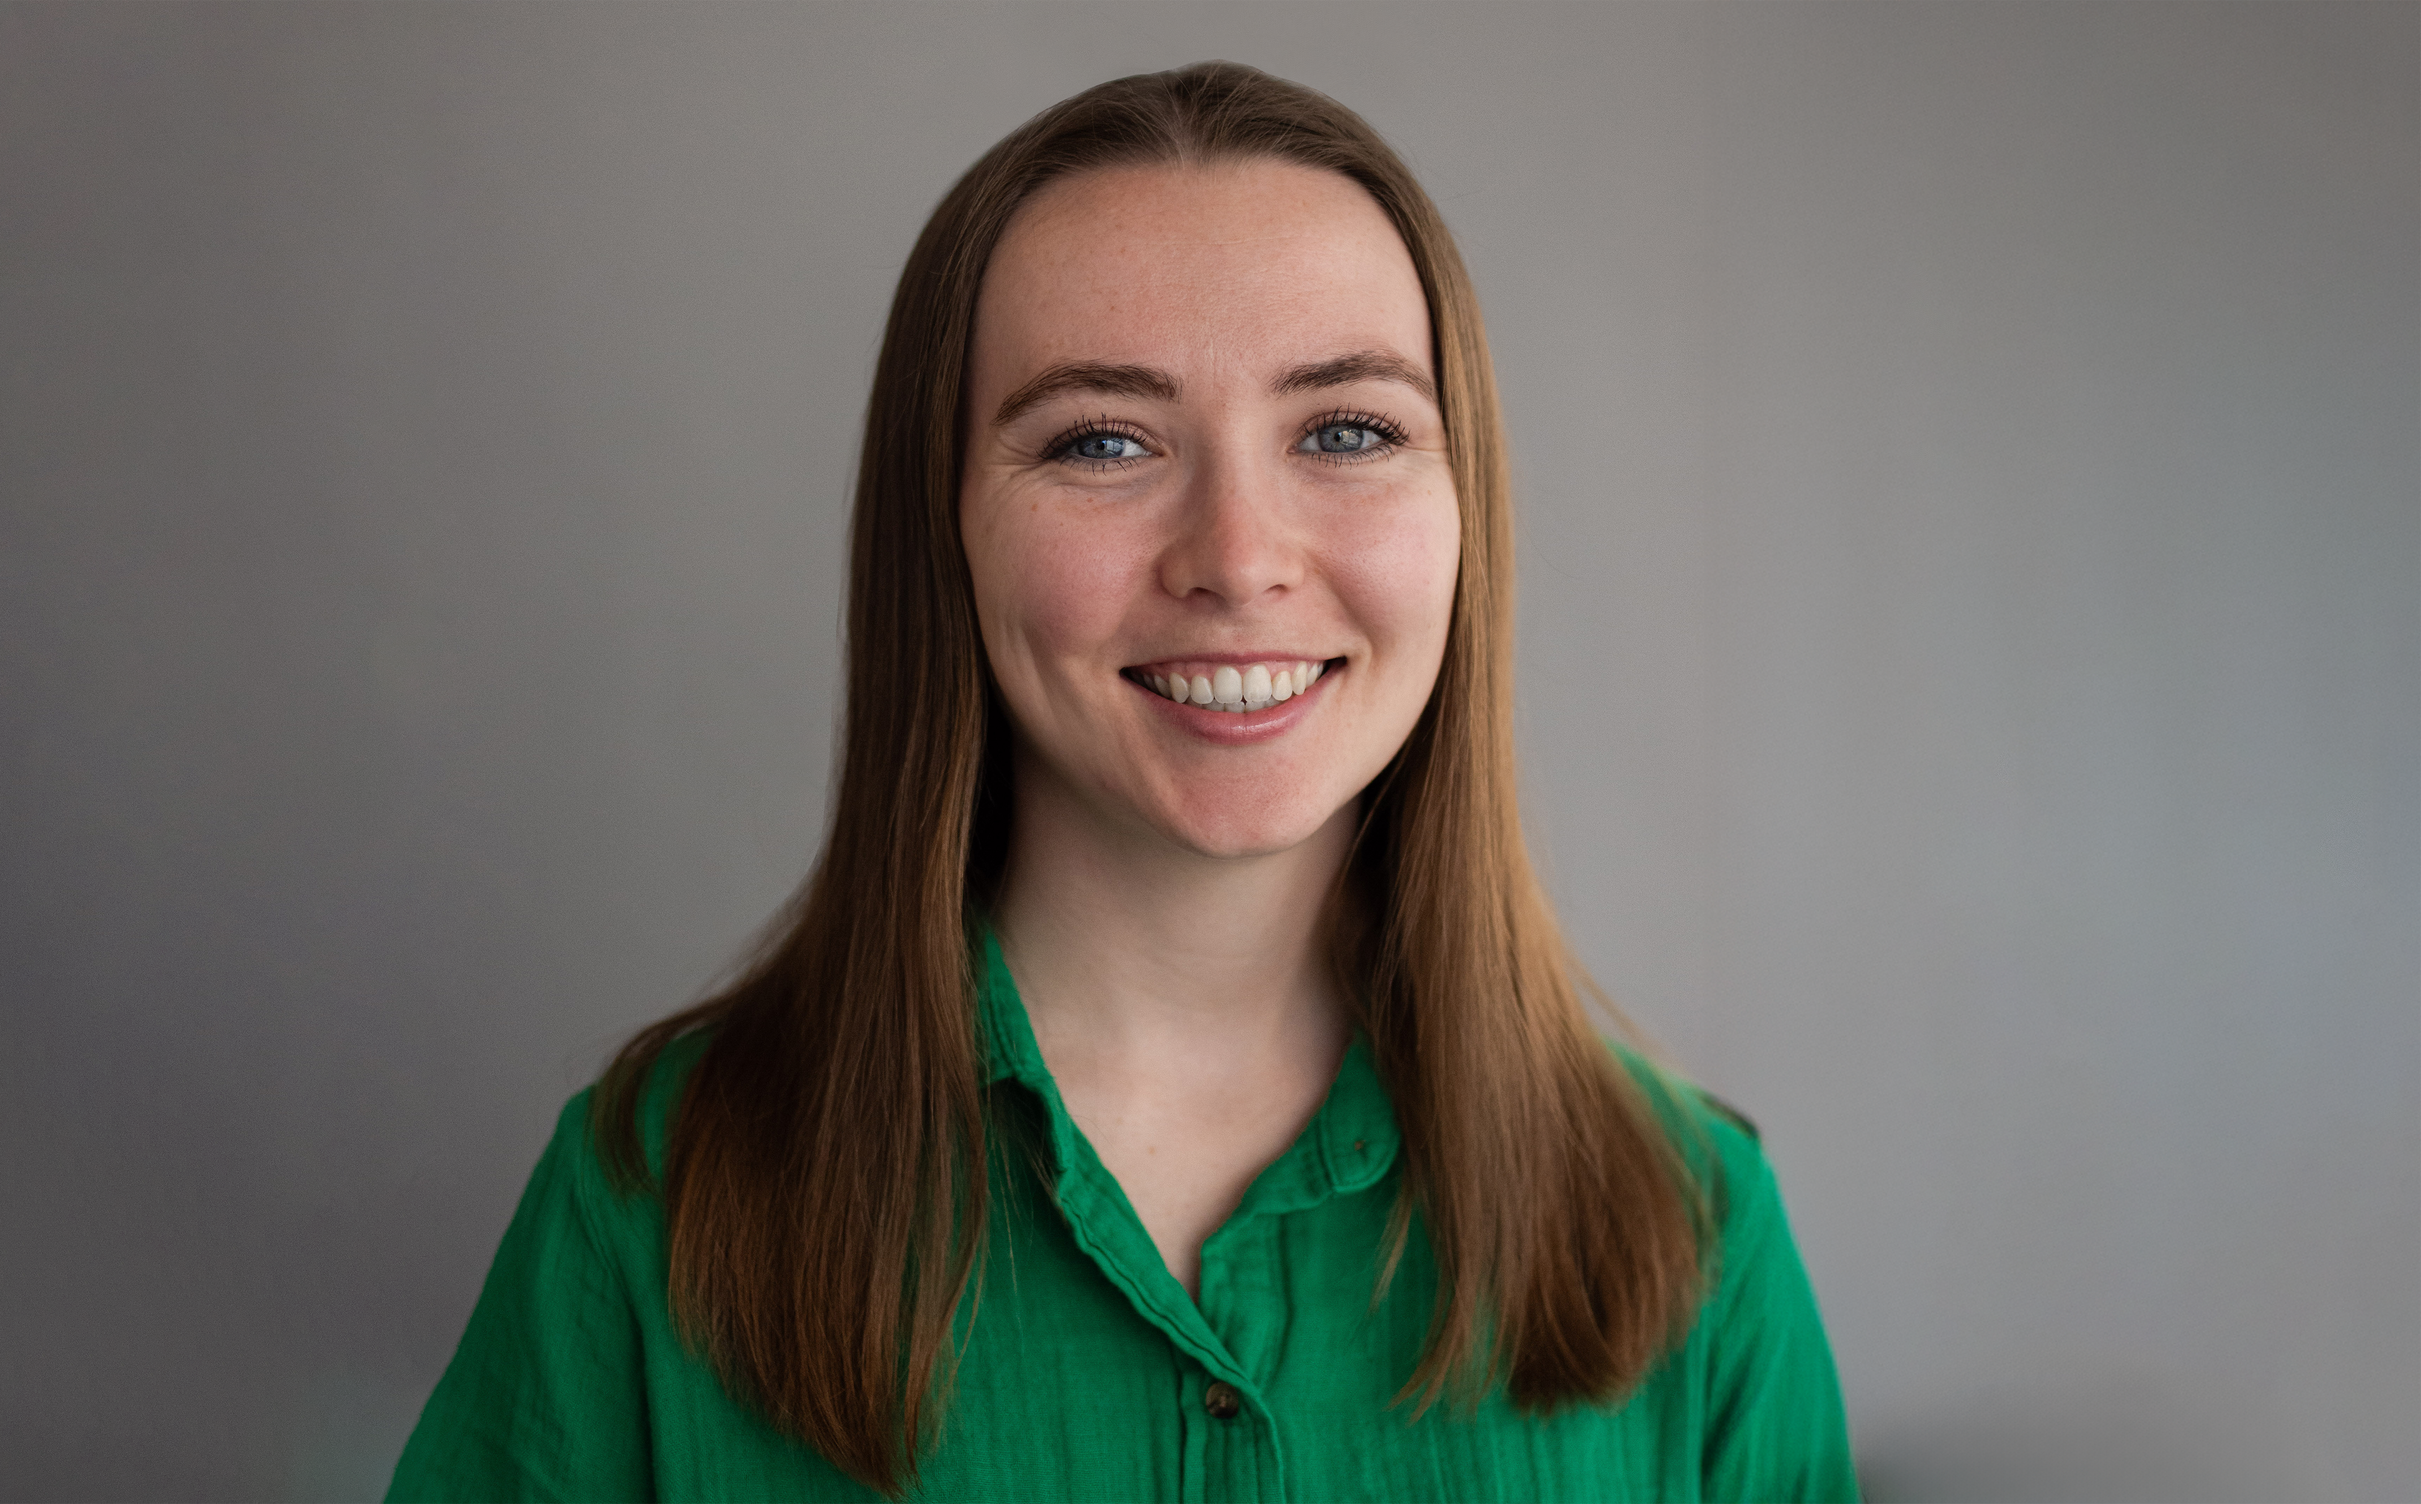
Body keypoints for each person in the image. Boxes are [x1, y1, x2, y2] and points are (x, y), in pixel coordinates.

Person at [386, 61, 1855, 1503]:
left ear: (1466, 510)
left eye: (1347, 429)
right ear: (946, 530)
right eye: (1102, 440)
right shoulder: (651, 1203)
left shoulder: (1696, 1230)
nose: (1237, 555)